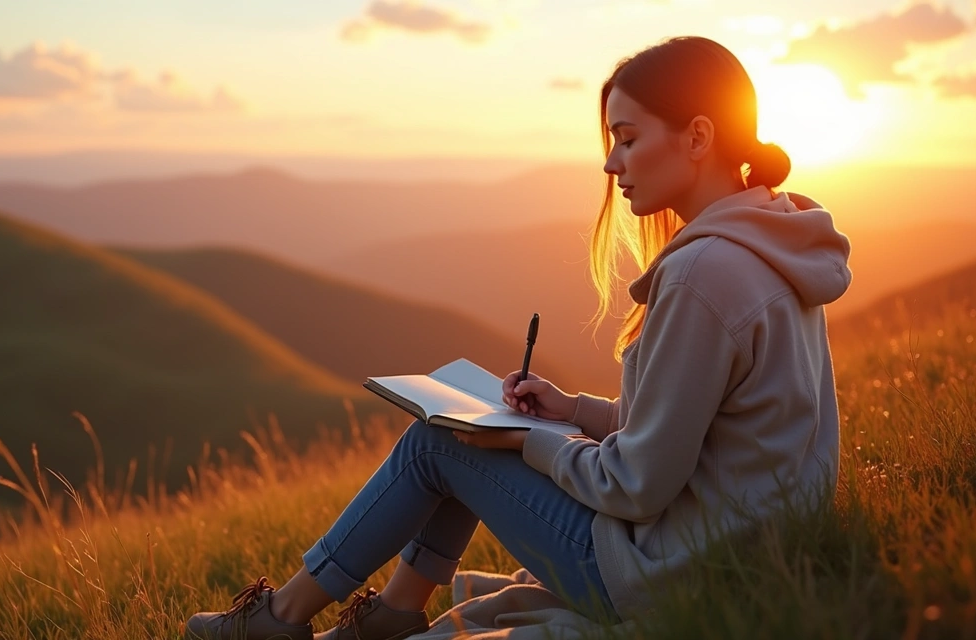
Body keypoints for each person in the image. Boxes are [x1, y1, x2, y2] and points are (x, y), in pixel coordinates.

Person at [184, 35, 851, 640]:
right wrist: (571, 412)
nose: (611, 164)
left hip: (668, 572)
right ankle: (385, 618)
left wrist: (527, 443)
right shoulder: (769, 242)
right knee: (462, 435)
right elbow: (697, 431)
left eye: (627, 137)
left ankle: (281, 619)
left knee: (437, 440)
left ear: (698, 136)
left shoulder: (703, 276)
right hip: (732, 552)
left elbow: (640, 482)